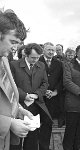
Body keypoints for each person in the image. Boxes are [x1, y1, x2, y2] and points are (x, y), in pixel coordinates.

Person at [0, 9, 34, 150]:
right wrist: (9, 123)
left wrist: (19, 110)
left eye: (18, 44)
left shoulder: (4, 60)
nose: (15, 48)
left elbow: (8, 96)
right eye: (13, 41)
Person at [10, 43, 52, 150]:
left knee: (33, 136)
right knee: (17, 138)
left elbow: (45, 83)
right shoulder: (14, 65)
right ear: (26, 55)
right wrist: (25, 96)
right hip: (19, 105)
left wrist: (36, 94)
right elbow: (11, 84)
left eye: (38, 57)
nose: (36, 60)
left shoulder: (41, 65)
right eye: (33, 57)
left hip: (36, 105)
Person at [39, 42, 63, 150]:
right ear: (43, 50)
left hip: (52, 98)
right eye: (48, 50)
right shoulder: (37, 61)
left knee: (48, 124)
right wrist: (42, 91)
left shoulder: (58, 63)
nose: (51, 52)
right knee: (35, 124)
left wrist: (55, 92)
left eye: (52, 50)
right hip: (38, 98)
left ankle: (44, 147)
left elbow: (61, 80)